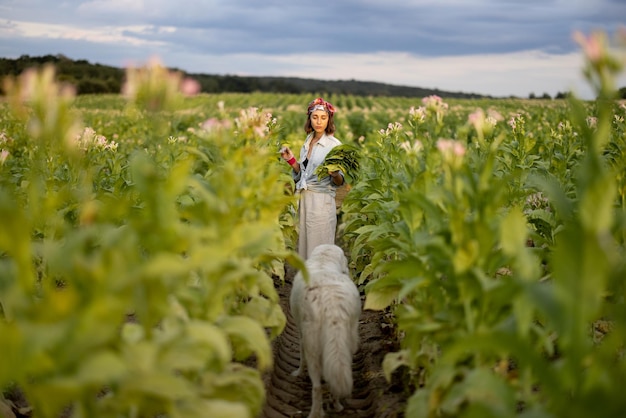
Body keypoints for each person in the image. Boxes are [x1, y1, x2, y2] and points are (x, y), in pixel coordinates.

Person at [280, 97, 345, 260]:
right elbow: (304, 175)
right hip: (305, 199)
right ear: (309, 119)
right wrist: (291, 160)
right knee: (305, 248)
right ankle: (308, 284)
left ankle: (321, 284)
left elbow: (341, 181)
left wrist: (335, 174)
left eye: (323, 118)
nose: (319, 122)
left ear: (329, 119)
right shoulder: (308, 141)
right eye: (315, 117)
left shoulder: (334, 145)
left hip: (321, 201)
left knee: (320, 249)